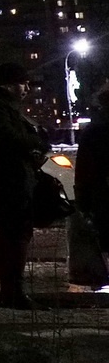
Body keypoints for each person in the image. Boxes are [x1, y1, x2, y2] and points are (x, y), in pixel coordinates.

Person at [0, 62, 47, 310]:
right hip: (8, 182)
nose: (27, 88)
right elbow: (8, 139)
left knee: (15, 235)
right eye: (22, 83)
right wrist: (35, 141)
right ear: (8, 84)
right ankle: (13, 291)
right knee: (14, 235)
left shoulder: (3, 107)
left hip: (14, 180)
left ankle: (12, 291)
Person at [78, 88, 109, 287]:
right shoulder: (95, 132)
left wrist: (83, 199)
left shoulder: (93, 131)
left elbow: (83, 169)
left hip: (102, 192)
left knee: (105, 234)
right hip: (102, 191)